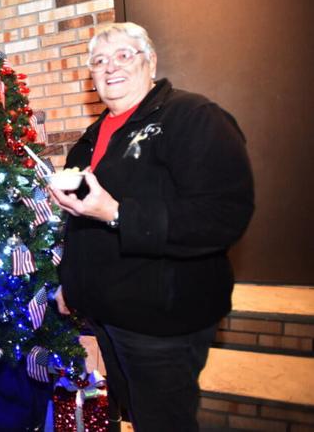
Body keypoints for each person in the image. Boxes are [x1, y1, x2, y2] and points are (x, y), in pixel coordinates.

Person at [47, 22, 254, 432]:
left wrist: (118, 213)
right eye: (99, 61)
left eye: (124, 55)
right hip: (107, 317)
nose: (110, 68)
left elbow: (223, 215)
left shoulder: (194, 117)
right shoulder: (89, 139)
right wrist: (71, 284)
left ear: (151, 62)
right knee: (134, 417)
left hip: (163, 323)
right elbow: (83, 225)